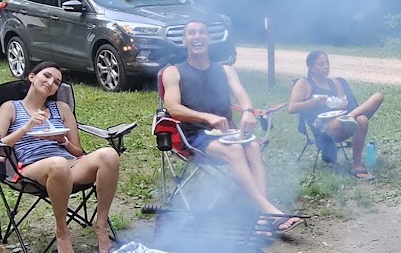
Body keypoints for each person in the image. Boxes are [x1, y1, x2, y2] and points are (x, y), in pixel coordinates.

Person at [158, 20, 300, 231]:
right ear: (184, 40)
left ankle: (263, 216)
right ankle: (268, 210)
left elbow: (242, 94)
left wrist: (248, 112)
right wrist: (206, 117)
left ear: (209, 38)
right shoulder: (174, 72)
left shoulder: (225, 70)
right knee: (235, 151)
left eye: (202, 32)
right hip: (194, 135)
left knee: (252, 146)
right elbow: (173, 108)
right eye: (192, 33)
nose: (197, 37)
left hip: (227, 133)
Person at [0, 61, 120, 253]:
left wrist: (63, 141)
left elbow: (77, 151)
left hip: (68, 165)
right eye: (47, 76)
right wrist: (27, 127)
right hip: (32, 167)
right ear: (32, 77)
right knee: (58, 164)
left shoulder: (61, 108)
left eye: (57, 82)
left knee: (109, 154)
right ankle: (62, 232)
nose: (51, 83)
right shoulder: (10, 107)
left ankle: (101, 225)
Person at [286, 50, 384, 178]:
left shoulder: (335, 83)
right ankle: (350, 119)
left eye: (327, 63)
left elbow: (344, 103)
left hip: (345, 122)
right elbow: (292, 108)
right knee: (354, 120)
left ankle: (356, 165)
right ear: (311, 67)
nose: (326, 66)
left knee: (375, 101)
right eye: (320, 64)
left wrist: (339, 104)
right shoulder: (304, 84)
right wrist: (314, 102)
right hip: (324, 130)